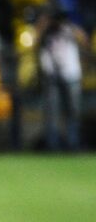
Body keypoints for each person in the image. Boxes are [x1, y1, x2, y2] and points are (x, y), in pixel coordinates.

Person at [36, 9, 86, 151]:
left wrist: (68, 25)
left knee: (73, 111)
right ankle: (53, 145)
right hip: (51, 75)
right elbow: (35, 41)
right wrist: (43, 24)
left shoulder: (68, 29)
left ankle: (73, 143)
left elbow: (84, 40)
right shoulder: (46, 32)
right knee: (51, 111)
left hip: (71, 74)